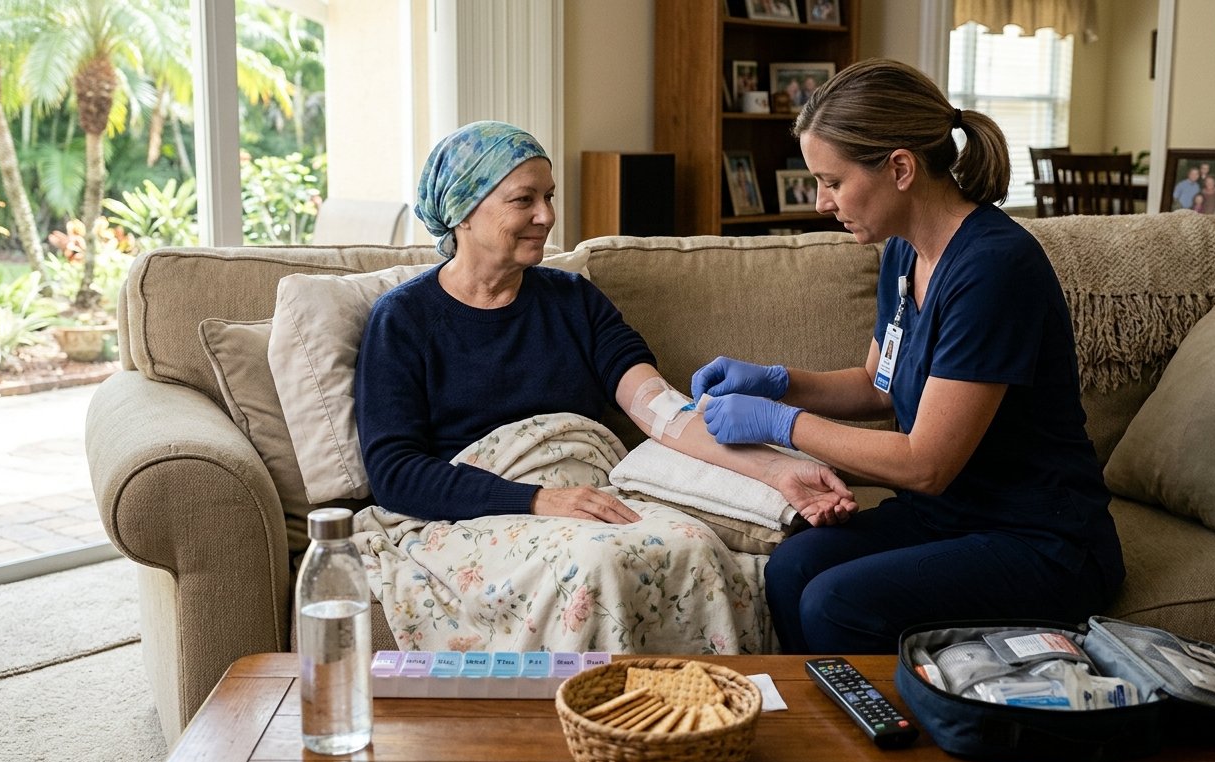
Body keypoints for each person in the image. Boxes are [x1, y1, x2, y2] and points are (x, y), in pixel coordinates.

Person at [354, 120, 857, 652]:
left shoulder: (574, 301)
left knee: (694, 548)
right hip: (483, 509)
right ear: (462, 211)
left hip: (590, 491)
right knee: (599, 565)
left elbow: (666, 413)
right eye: (523, 199)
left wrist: (779, 469)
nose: (546, 216)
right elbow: (394, 473)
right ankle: (595, 724)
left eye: (547, 196)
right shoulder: (403, 320)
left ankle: (701, 718)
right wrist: (539, 500)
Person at [689, 59, 1125, 655]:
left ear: (899, 168)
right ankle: (829, 729)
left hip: (1040, 540)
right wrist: (776, 382)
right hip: (946, 518)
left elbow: (926, 464)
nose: (820, 202)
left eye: (832, 181)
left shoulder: (994, 268)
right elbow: (878, 385)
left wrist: (781, 424)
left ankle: (883, 740)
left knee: (834, 602)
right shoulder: (903, 253)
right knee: (793, 567)